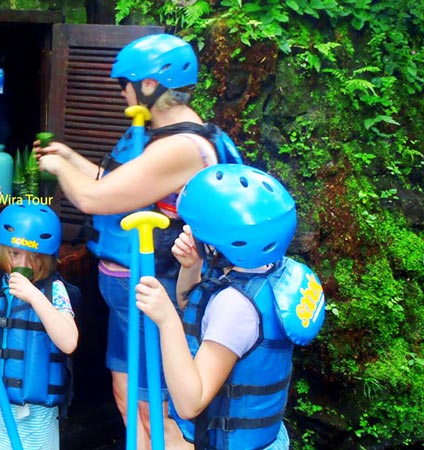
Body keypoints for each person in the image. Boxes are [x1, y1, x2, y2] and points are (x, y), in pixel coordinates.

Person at [35, 33, 227, 448]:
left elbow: (93, 198)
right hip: (127, 296)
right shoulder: (154, 136)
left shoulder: (182, 147)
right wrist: (68, 158)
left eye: (125, 82)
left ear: (150, 84)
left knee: (160, 412)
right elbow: (114, 185)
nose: (121, 91)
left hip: (158, 295)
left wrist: (58, 170)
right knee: (127, 400)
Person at [135, 165, 326, 449]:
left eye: (198, 228)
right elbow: (199, 313)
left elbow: (191, 402)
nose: (188, 230)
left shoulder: (236, 306)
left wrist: (166, 320)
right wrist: (192, 267)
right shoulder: (267, 271)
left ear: (228, 243)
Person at [0, 201, 79, 450]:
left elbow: (69, 342)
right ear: (1, 251)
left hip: (38, 413)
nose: (24, 264)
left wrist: (34, 296)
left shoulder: (54, 290)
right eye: (15, 253)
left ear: (49, 258)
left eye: (35, 257)